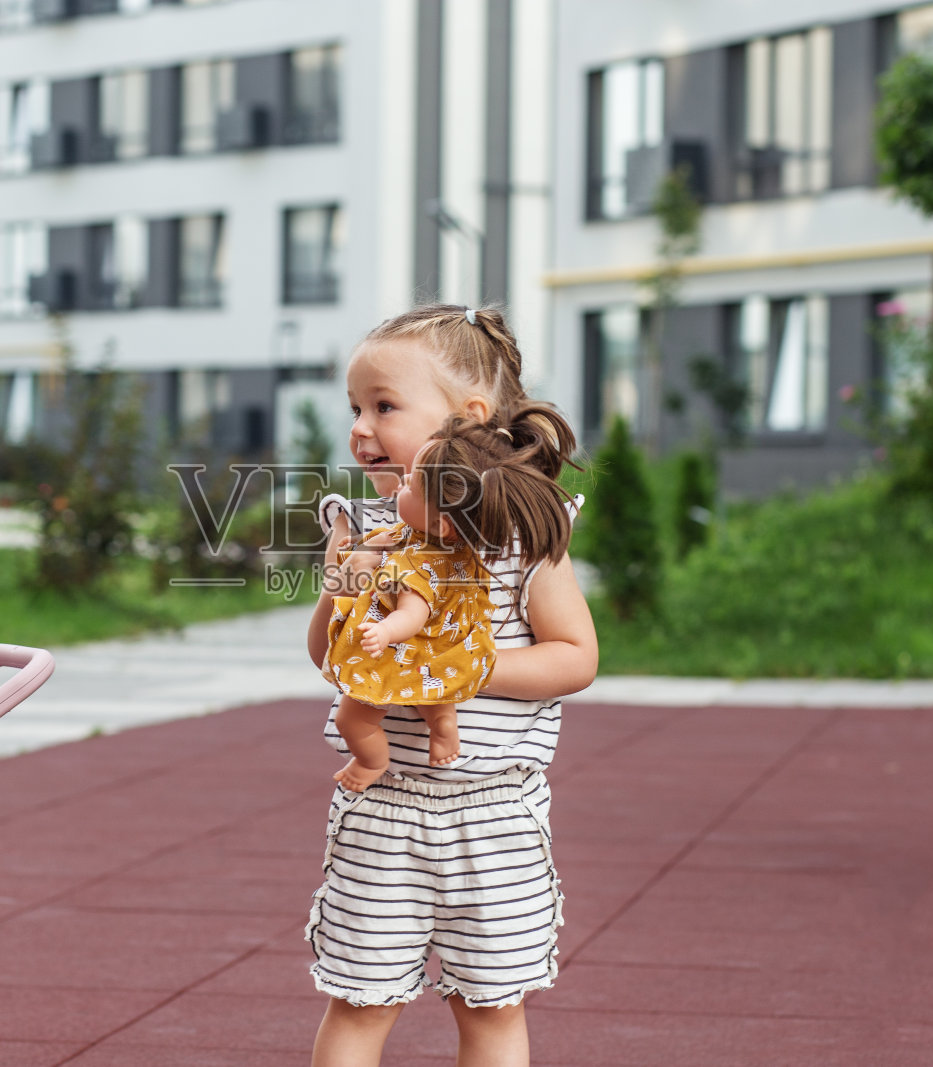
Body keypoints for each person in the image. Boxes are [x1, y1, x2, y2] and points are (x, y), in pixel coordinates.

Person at [305, 304, 598, 1067]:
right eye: (356, 407)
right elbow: (328, 659)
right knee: (360, 1000)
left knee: (492, 1007)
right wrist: (343, 591)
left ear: (468, 418)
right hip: (383, 806)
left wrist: (458, 665)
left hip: (493, 812)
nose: (360, 427)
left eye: (385, 406)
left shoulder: (526, 536)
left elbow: (575, 657)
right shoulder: (368, 529)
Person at [321, 413, 575, 793]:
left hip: (403, 650)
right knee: (431, 685)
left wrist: (385, 631)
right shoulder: (452, 548)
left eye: (411, 485)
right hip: (437, 647)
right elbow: (386, 540)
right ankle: (442, 721)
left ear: (440, 523)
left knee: (352, 720)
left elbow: (413, 611)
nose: (403, 484)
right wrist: (359, 557)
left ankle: (371, 759)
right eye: (355, 410)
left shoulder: (419, 563)